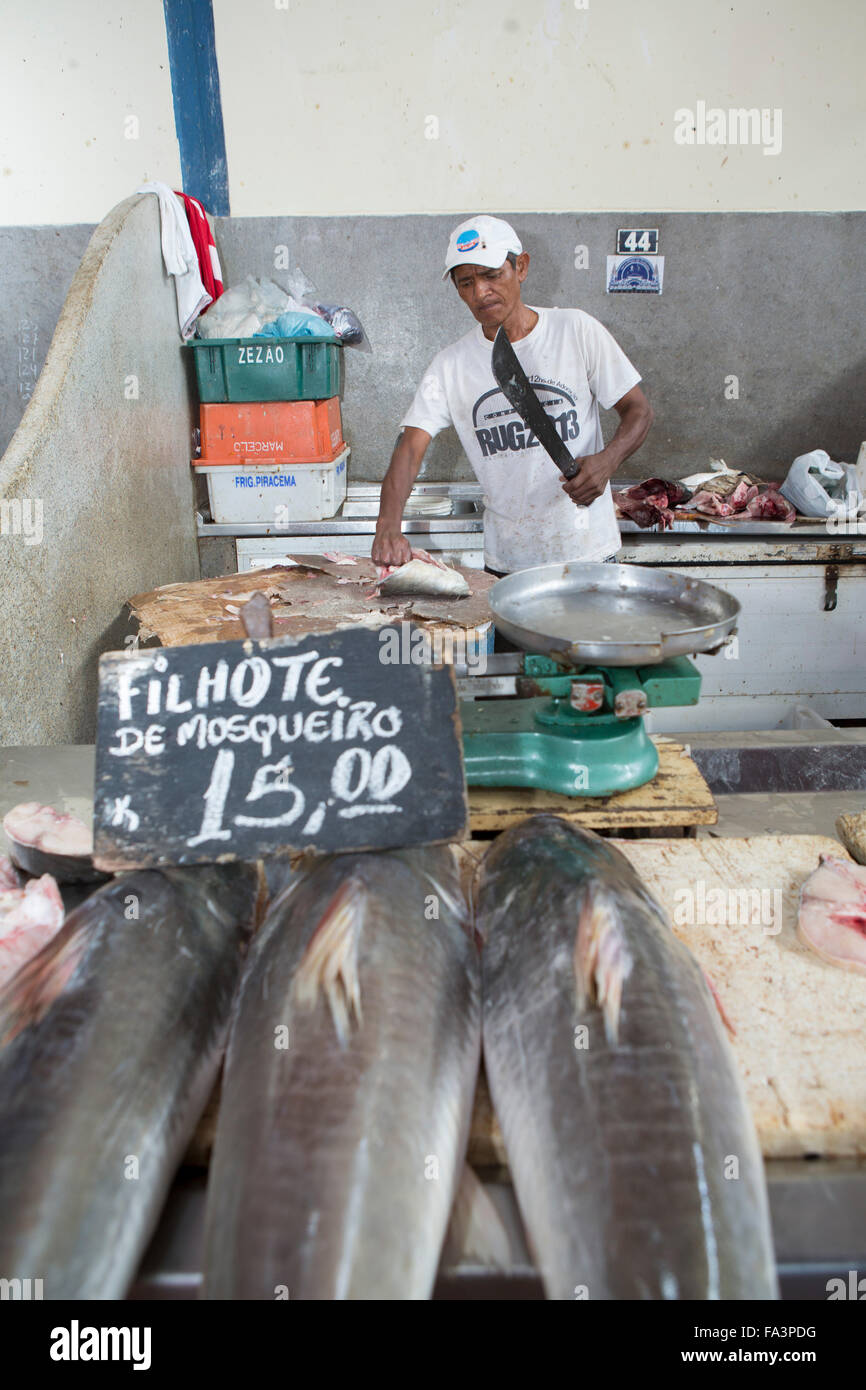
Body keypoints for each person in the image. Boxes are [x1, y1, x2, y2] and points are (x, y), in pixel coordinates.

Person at [372, 215, 654, 575]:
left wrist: (607, 461)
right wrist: (387, 524)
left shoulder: (576, 330)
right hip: (508, 565)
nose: (480, 293)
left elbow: (639, 411)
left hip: (589, 555)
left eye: (491, 275)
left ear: (521, 267)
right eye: (466, 282)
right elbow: (409, 449)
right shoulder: (449, 366)